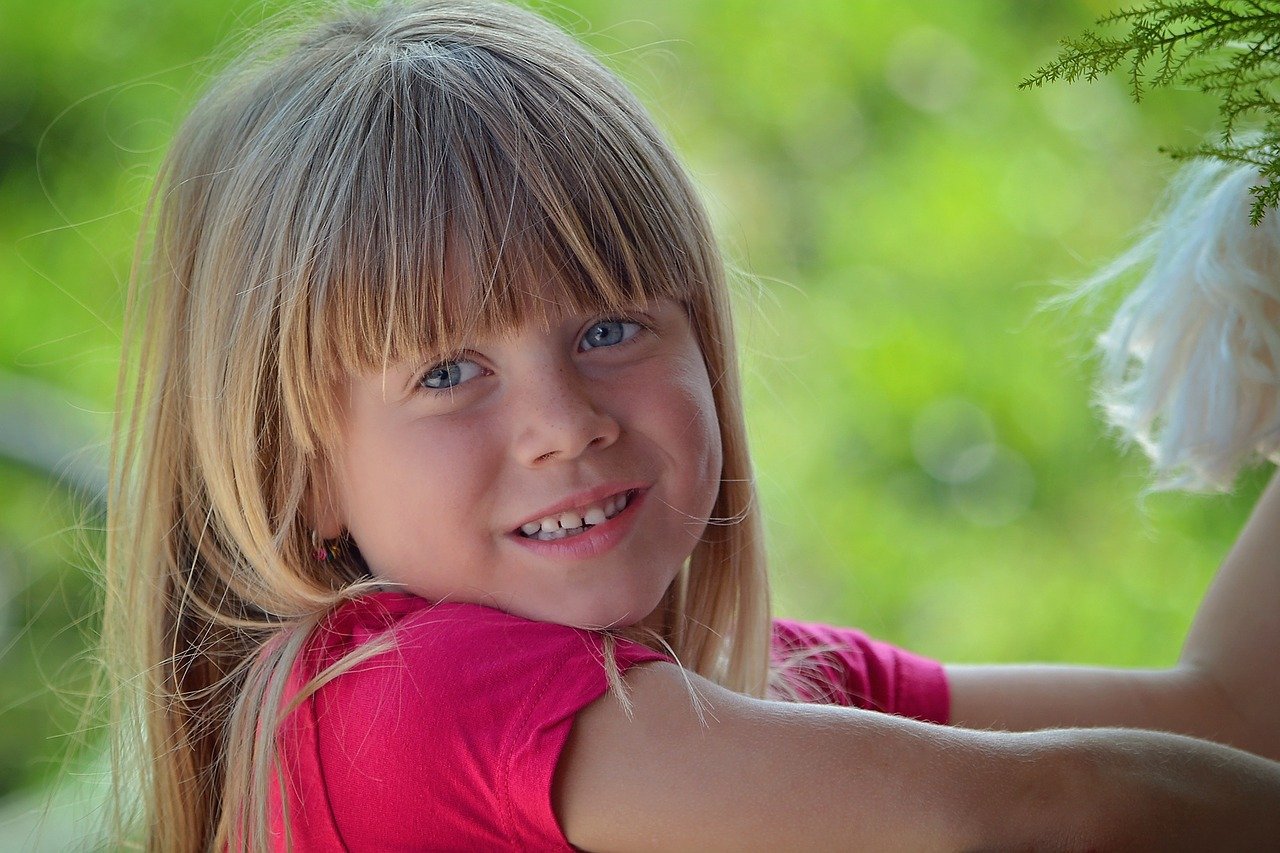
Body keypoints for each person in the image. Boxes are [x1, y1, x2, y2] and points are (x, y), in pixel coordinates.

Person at [101, 0, 1280, 849]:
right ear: (292, 472)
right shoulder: (395, 702)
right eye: (449, 371)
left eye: (608, 327)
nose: (563, 424)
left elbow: (1229, 714)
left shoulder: (778, 688)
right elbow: (1025, 815)